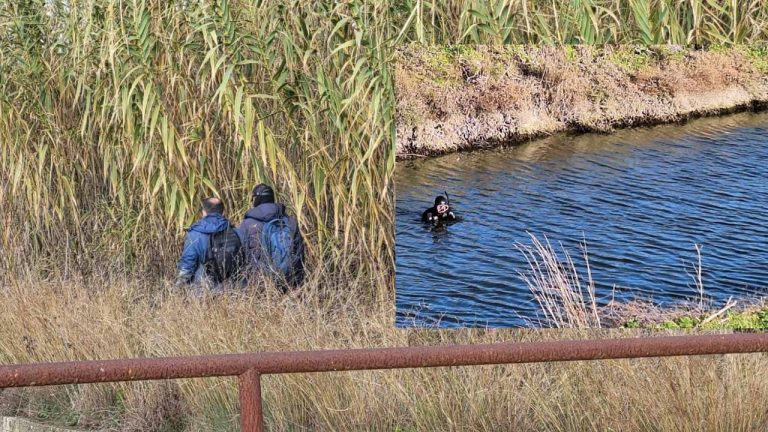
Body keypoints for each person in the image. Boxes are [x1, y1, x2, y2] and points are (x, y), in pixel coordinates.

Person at [238, 184, 305, 287]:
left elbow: (241, 255)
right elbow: (300, 252)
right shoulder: (290, 221)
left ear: (256, 199)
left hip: (259, 283)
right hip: (290, 280)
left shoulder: (248, 224)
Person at [176, 197, 245, 287]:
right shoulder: (236, 231)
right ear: (223, 213)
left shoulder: (195, 234)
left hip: (204, 291)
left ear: (204, 212)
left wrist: (179, 286)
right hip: (234, 290)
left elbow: (188, 264)